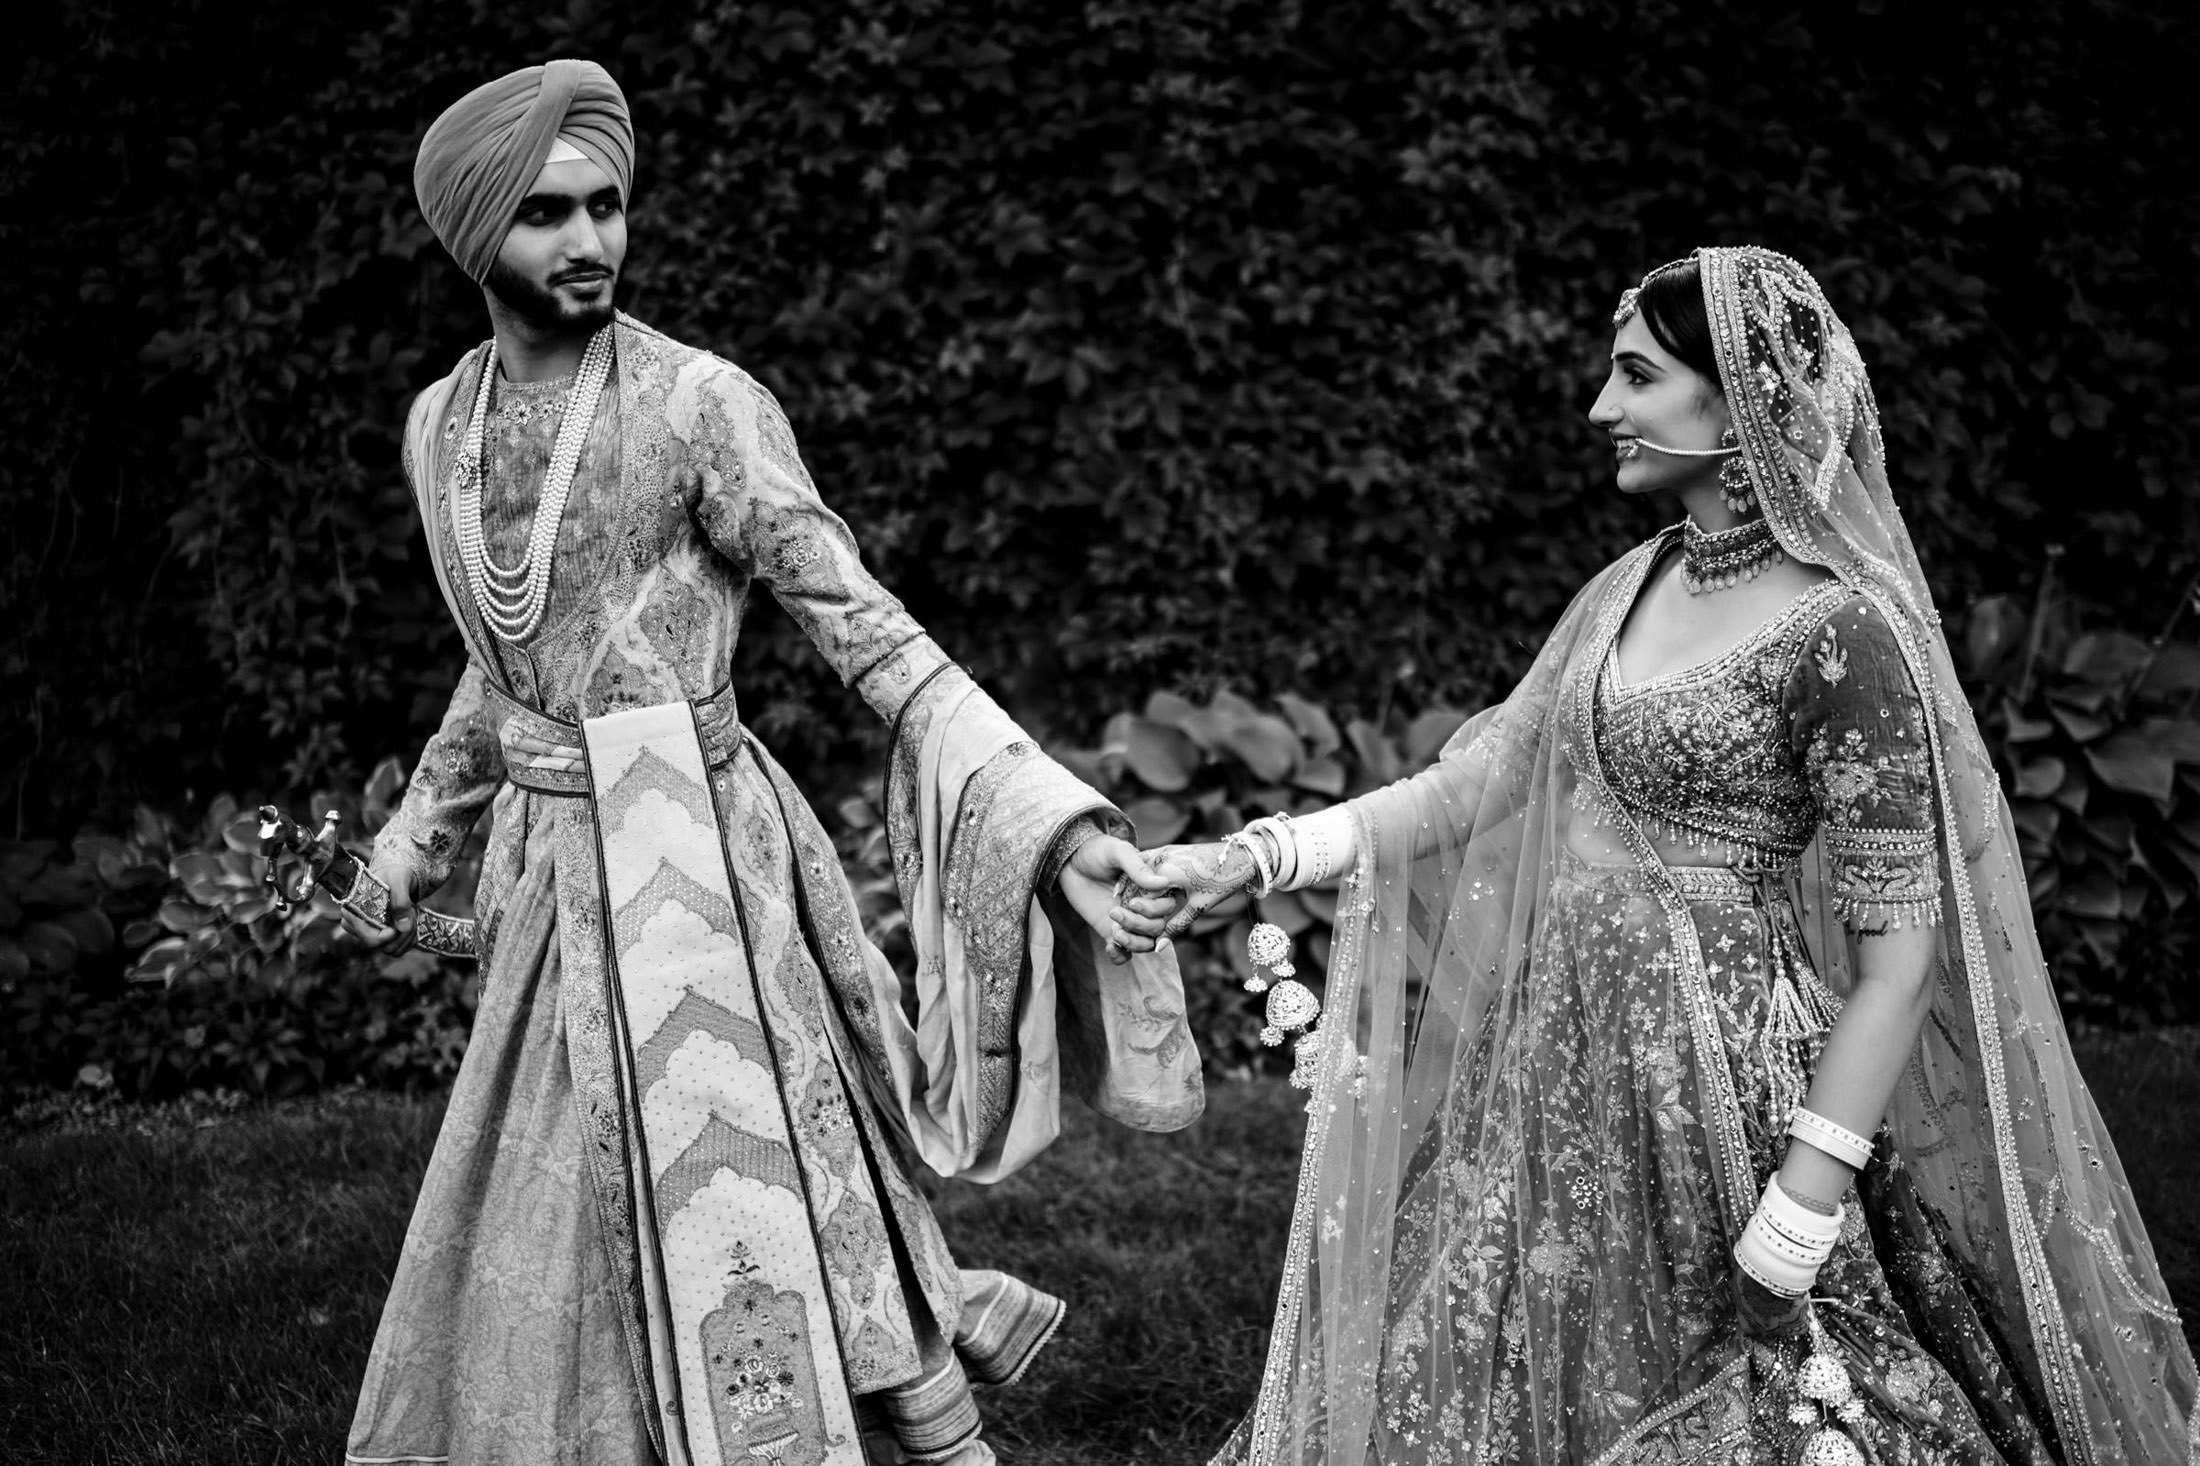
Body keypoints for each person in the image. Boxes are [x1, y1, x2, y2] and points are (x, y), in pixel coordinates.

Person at [1148, 246, 2197, 1463]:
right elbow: (1477, 779)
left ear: (1738, 395)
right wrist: (1257, 856)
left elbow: (1898, 963)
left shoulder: (1844, 634)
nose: (1603, 408)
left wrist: (1805, 1202)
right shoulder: (1627, 583)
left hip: (1723, 1083)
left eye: (1637, 376)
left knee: (1766, 1380)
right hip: (1556, 1054)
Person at [344, 59, 1201, 1466]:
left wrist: (1051, 825)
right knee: (562, 1178)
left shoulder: (700, 405)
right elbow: (506, 665)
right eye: (547, 214)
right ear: (471, 233)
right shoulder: (438, 423)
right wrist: (417, 832)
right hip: (551, 867)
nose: (591, 242)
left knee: (770, 1171)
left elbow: (864, 625)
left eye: (608, 204)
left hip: (700, 864)